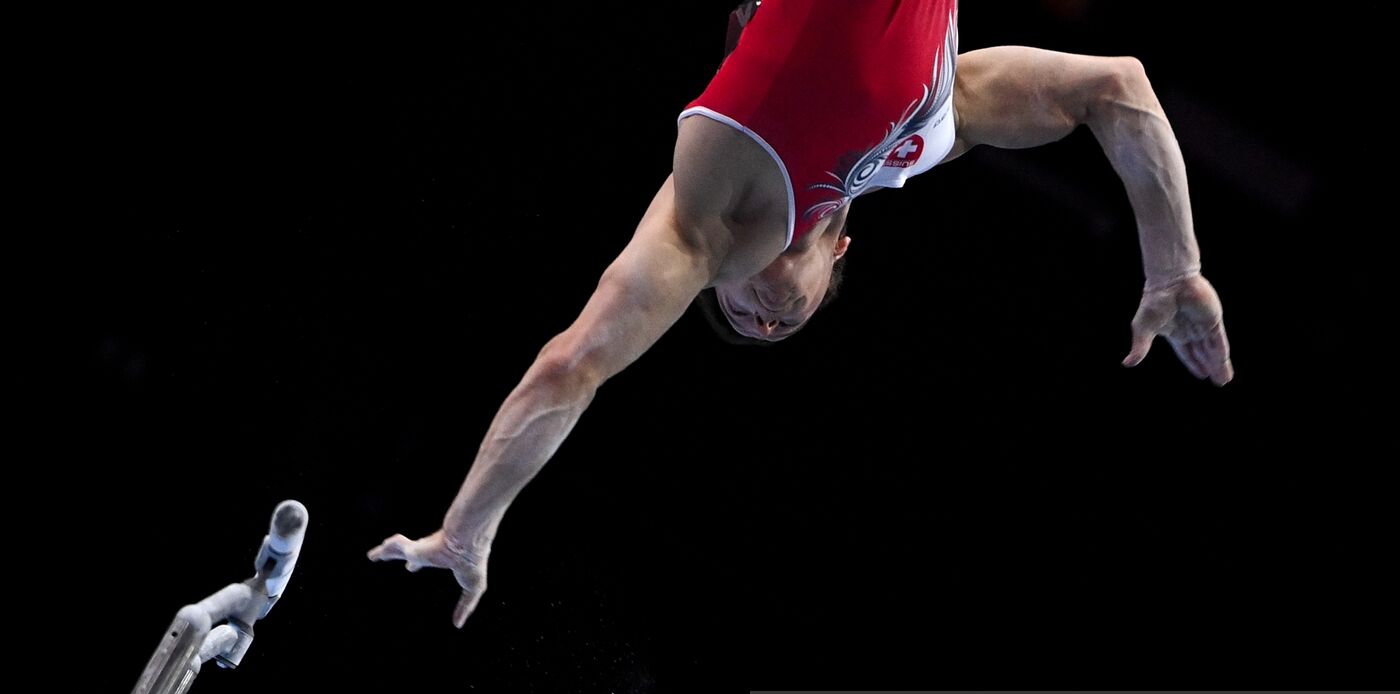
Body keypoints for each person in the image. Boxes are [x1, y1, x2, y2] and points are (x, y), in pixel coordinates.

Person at [368, 0, 1234, 626]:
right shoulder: (937, 129)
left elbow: (574, 366)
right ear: (838, 264)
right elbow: (1119, 88)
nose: (764, 314)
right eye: (781, 325)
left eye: (742, 317)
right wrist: (1173, 266)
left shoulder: (708, 224)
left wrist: (468, 526)